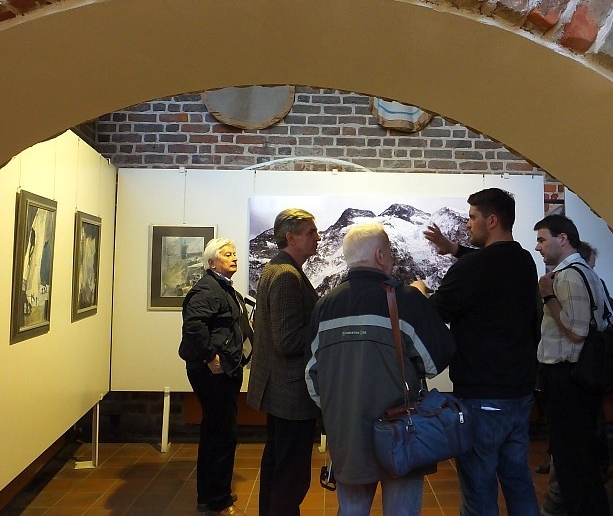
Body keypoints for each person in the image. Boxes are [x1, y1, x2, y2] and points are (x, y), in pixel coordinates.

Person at [305, 222, 456, 515]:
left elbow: (312, 376)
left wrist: (338, 411)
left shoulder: (324, 305)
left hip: (347, 432)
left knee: (352, 510)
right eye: (389, 252)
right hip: (401, 431)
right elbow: (435, 361)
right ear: (379, 255)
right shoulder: (407, 299)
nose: (392, 258)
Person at [413, 188, 541, 516]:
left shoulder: (476, 266)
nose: (467, 224)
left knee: (479, 486)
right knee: (518, 479)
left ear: (492, 220)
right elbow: (491, 263)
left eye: (472, 217)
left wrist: (418, 293)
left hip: (482, 395)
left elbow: (435, 312)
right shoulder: (524, 260)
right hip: (520, 392)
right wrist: (454, 249)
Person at [534, 214, 611, 516]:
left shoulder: (567, 276)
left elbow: (576, 332)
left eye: (542, 239)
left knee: (571, 459)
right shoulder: (587, 272)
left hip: (567, 375)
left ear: (562, 239)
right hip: (578, 376)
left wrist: (547, 296)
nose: (538, 246)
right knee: (579, 456)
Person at [247, 208, 322, 516]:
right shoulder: (287, 276)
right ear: (291, 238)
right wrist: (325, 330)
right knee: (290, 476)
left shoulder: (278, 269)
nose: (318, 237)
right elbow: (288, 340)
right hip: (291, 392)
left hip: (281, 388)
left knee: (279, 467)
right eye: (311, 232)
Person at [178, 238, 253, 516]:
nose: (234, 258)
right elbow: (193, 326)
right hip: (213, 373)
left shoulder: (222, 287)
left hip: (224, 371)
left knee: (219, 432)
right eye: (227, 254)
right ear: (212, 262)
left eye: (234, 254)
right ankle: (216, 499)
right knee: (220, 434)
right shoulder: (207, 289)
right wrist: (211, 357)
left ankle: (211, 496)